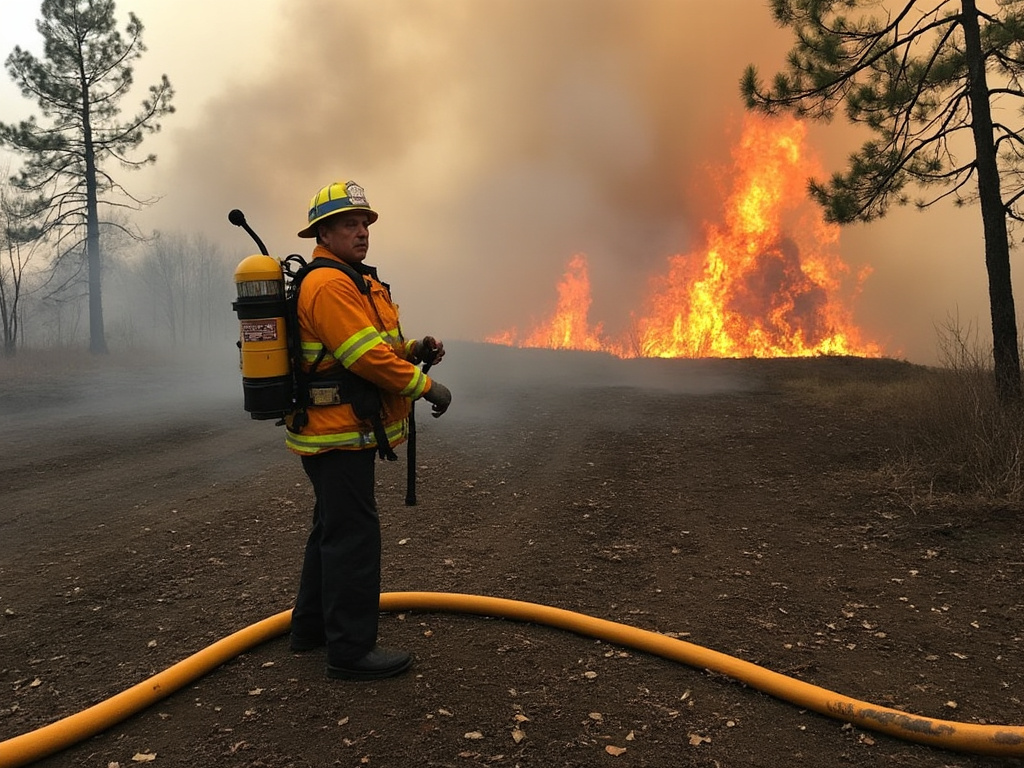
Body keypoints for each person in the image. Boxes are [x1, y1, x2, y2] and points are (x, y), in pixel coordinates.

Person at [285, 180, 452, 681]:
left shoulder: (352, 280)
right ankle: (350, 652)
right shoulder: (329, 285)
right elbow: (363, 357)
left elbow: (371, 346)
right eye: (349, 224)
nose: (362, 233)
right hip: (336, 431)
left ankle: (311, 629)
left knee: (332, 529)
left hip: (338, 430)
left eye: (364, 224)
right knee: (353, 537)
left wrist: (413, 349)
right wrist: (425, 386)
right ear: (323, 233)